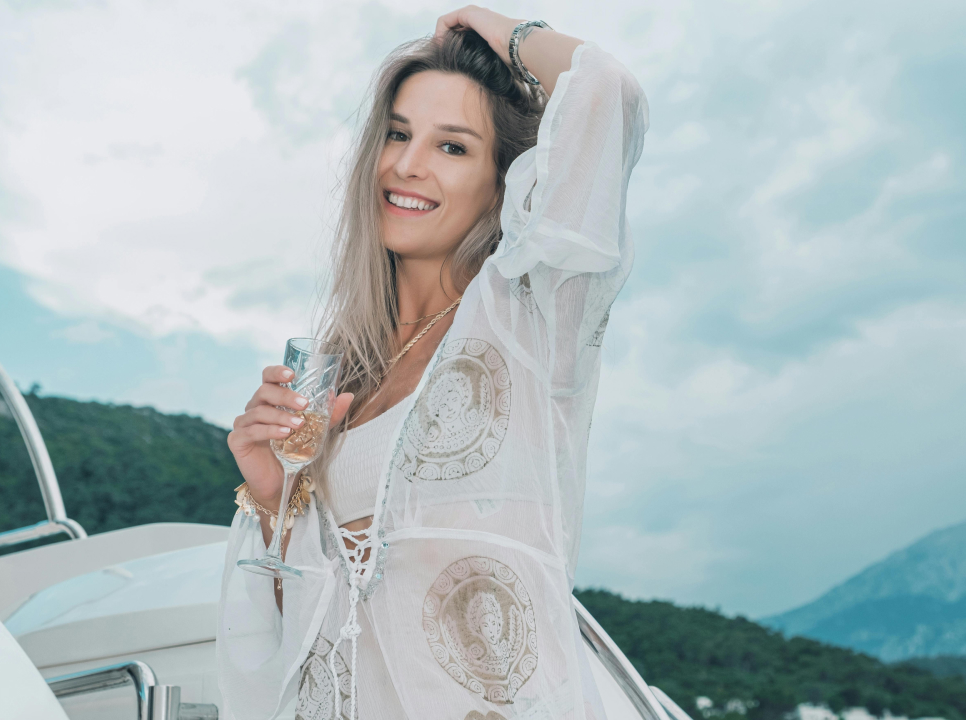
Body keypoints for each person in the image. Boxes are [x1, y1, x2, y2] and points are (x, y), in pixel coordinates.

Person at [217, 6, 648, 720]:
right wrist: (273, 499)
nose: (407, 165)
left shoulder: (527, 315)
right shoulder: (345, 372)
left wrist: (481, 23)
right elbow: (312, 629)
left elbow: (611, 93)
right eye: (397, 133)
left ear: (503, 181)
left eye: (453, 147)